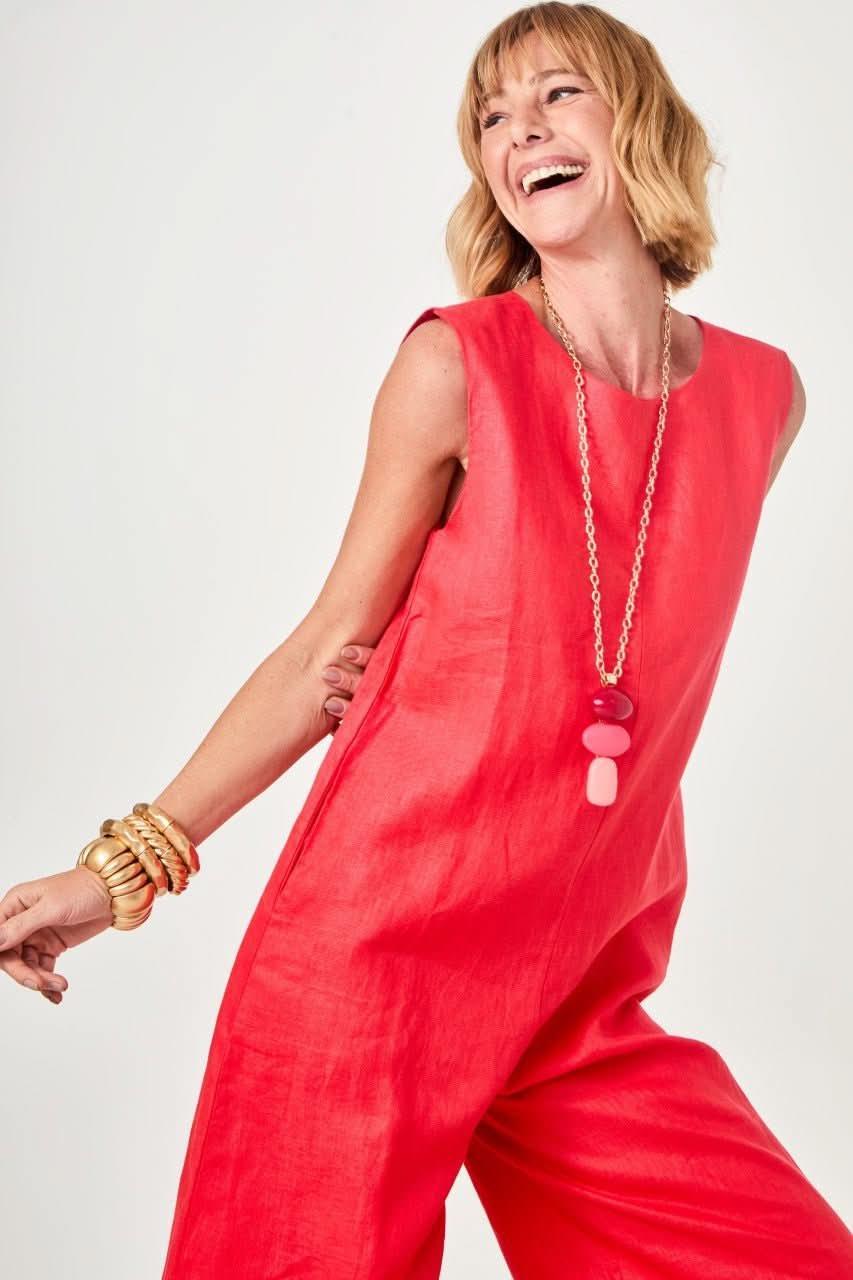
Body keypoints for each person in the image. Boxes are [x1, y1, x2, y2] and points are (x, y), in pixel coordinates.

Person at [2, 3, 851, 1275]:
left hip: (574, 987)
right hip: (369, 960)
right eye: (491, 118)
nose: (521, 133)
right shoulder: (457, 366)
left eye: (556, 95)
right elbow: (323, 653)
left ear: (638, 120)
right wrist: (115, 871)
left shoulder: (762, 397)